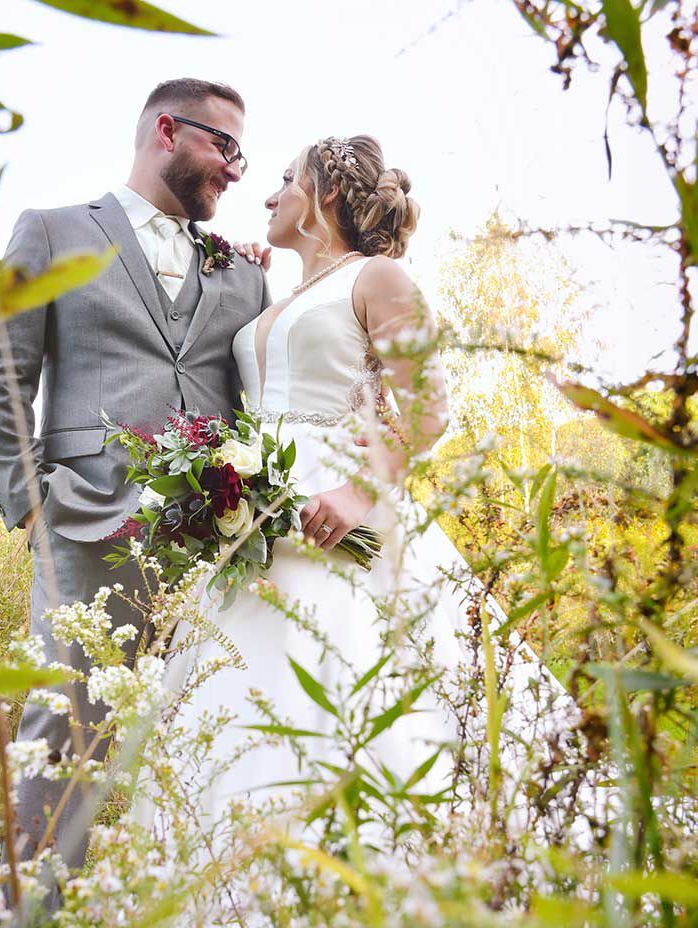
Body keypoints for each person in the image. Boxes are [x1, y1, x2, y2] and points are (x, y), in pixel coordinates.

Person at [157, 135, 575, 829]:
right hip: (260, 523)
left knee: (351, 678)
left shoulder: (377, 277)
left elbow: (429, 406)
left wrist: (358, 494)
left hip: (342, 513)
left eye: (286, 178)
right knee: (241, 695)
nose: (268, 193)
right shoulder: (281, 295)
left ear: (323, 190)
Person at [0, 78, 271, 870]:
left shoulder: (243, 272)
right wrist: (32, 507)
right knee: (65, 736)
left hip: (215, 549)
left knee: (207, 737)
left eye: (244, 153)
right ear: (167, 130)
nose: (237, 169)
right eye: (224, 145)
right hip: (83, 525)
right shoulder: (53, 232)